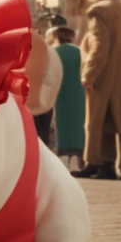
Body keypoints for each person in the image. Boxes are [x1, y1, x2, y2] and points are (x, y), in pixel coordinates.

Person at [72, 0, 121, 181]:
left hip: (105, 73)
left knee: (96, 120)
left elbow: (100, 46)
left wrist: (89, 73)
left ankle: (94, 163)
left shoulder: (98, 11)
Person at [51, 26, 86, 169]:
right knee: (78, 121)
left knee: (61, 121)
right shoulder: (79, 51)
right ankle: (79, 153)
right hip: (78, 91)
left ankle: (63, 151)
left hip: (59, 91)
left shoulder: (54, 52)